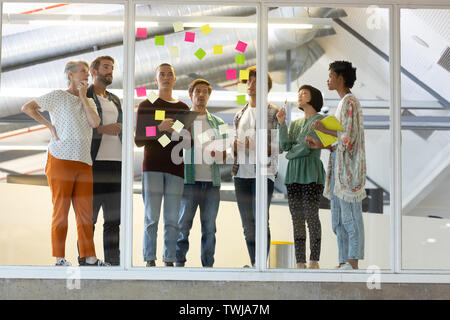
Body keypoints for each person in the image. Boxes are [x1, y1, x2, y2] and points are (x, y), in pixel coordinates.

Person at [21, 60, 109, 266]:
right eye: (82, 72)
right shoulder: (57, 96)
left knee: (85, 214)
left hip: (84, 162)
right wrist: (49, 126)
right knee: (61, 210)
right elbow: (28, 107)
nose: (87, 76)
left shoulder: (89, 101)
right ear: (70, 75)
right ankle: (59, 258)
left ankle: (90, 257)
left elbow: (95, 123)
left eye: (88, 73)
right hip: (60, 159)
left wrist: (82, 97)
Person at [306, 61, 366, 270]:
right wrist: (321, 143)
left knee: (350, 218)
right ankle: (343, 262)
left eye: (331, 75)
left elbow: (347, 138)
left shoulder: (350, 102)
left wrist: (325, 127)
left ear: (341, 78)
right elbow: (339, 143)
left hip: (348, 172)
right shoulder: (342, 104)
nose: (328, 79)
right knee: (338, 220)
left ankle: (352, 262)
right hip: (338, 169)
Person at [135, 63, 191, 267]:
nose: (166, 77)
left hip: (176, 169)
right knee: (151, 216)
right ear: (155, 79)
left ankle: (169, 260)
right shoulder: (147, 104)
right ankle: (149, 259)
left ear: (175, 79)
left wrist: (179, 129)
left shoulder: (183, 108)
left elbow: (189, 142)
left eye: (170, 74)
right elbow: (139, 138)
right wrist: (158, 128)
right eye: (162, 74)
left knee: (172, 219)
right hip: (152, 168)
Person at [175, 79, 228, 268]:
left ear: (209, 96)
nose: (201, 95)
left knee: (210, 230)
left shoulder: (219, 122)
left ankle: (208, 268)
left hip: (211, 184)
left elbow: (224, 155)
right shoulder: (182, 120)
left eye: (205, 91)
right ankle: (178, 265)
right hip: (188, 182)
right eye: (198, 91)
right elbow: (169, 143)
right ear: (191, 95)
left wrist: (219, 154)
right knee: (182, 228)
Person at [232, 65, 279, 267]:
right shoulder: (239, 114)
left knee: (260, 221)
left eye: (255, 81)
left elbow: (276, 148)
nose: (250, 85)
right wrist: (234, 147)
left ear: (265, 86)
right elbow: (236, 144)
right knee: (247, 225)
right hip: (241, 174)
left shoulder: (273, 113)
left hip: (263, 173)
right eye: (248, 81)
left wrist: (253, 145)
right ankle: (254, 264)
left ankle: (261, 264)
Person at [276, 85, 325, 269]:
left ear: (314, 97)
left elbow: (306, 147)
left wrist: (291, 152)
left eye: (304, 93)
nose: (299, 96)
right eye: (299, 93)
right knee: (296, 218)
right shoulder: (295, 124)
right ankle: (300, 261)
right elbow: (285, 146)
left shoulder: (320, 120)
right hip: (293, 174)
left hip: (311, 173)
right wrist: (282, 124)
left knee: (312, 217)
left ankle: (314, 260)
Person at [83, 55, 122, 266]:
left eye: (112, 68)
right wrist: (102, 129)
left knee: (114, 220)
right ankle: (86, 259)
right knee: (90, 218)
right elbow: (80, 126)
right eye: (106, 67)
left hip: (116, 164)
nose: (110, 71)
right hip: (94, 164)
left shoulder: (115, 99)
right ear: (93, 71)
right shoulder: (85, 95)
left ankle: (113, 262)